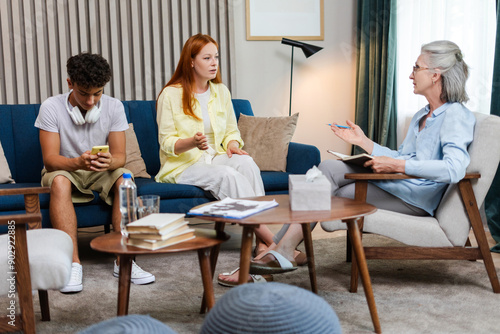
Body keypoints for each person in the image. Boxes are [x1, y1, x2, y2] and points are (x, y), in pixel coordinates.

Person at [250, 40, 475, 274]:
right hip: (399, 186)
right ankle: (281, 248)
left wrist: (397, 165)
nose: (411, 75)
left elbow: (454, 169)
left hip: (415, 198)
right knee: (326, 169)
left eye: (416, 68)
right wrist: (363, 142)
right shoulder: (422, 115)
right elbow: (402, 155)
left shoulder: (456, 116)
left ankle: (277, 247)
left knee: (330, 193)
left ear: (435, 75)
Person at [156, 33, 306, 286]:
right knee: (227, 175)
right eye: (207, 57)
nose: (214, 63)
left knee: (246, 163)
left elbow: (229, 132)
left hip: (215, 156)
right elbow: (167, 143)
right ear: (191, 61)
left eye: (216, 57)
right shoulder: (170, 95)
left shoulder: (220, 91)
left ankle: (261, 244)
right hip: (183, 165)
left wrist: (234, 146)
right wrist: (192, 142)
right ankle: (274, 244)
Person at [35, 53, 155, 293]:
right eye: (83, 93)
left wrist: (110, 161)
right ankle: (72, 264)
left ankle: (124, 260)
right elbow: (50, 161)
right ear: (70, 83)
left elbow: (120, 157)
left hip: (99, 171)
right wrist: (78, 162)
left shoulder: (114, 106)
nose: (91, 102)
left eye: (97, 93)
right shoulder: (51, 107)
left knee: (126, 178)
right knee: (58, 181)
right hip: (65, 168)